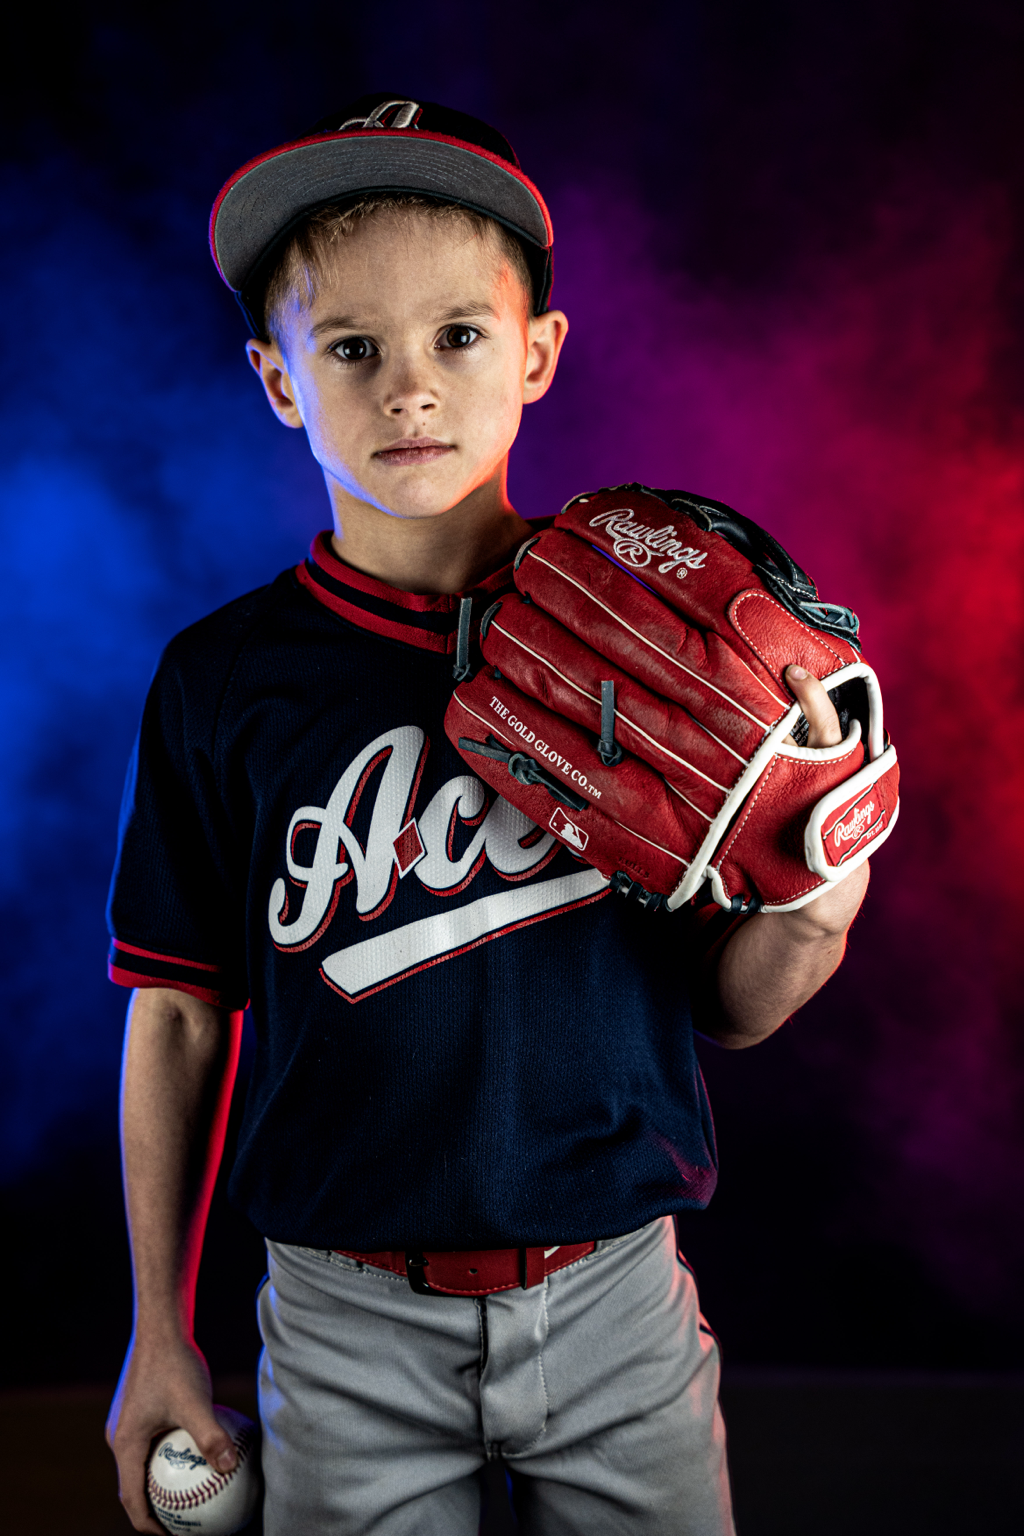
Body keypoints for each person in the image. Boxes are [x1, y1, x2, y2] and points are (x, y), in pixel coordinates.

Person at [104, 94, 869, 1535]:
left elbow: (740, 1007)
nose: (409, 388)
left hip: (618, 1301)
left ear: (536, 354)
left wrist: (815, 898)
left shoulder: (658, 650)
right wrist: (159, 1329)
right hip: (342, 1321)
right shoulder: (223, 681)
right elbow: (182, 1015)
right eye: (352, 348)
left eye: (458, 335)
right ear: (278, 381)